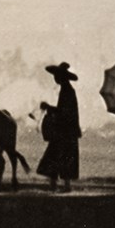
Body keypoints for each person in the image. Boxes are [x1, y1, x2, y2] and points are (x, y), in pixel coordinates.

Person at [36, 62, 81, 192]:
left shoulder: (67, 91)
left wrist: (49, 108)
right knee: (63, 156)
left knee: (55, 156)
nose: (55, 78)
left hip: (65, 131)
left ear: (62, 77)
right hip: (67, 130)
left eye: (57, 76)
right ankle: (61, 185)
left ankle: (58, 186)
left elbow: (64, 112)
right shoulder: (66, 90)